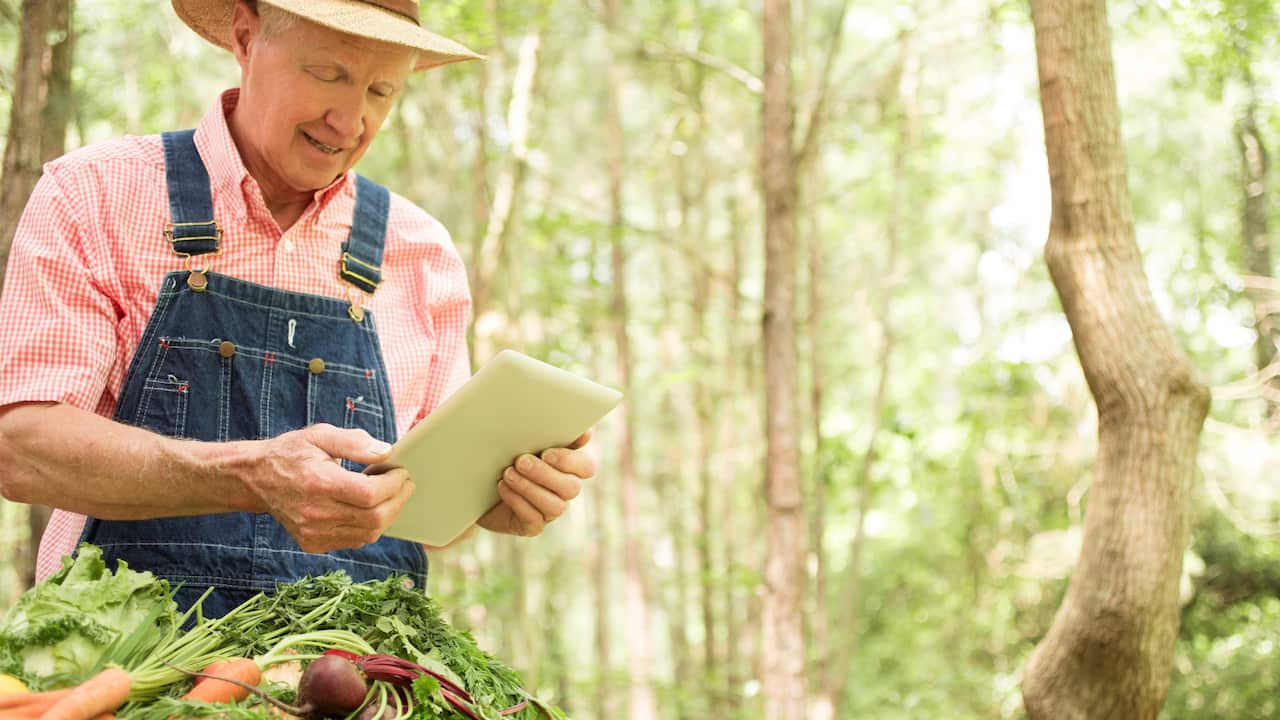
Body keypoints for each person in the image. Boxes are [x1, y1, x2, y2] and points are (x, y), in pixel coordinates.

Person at [0, 0, 596, 618]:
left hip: (351, 666)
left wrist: (500, 502)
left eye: (381, 91)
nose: (351, 120)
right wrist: (248, 476)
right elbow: (22, 450)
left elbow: (431, 516)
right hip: (128, 658)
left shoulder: (421, 252)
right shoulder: (95, 194)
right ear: (245, 36)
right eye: (329, 74)